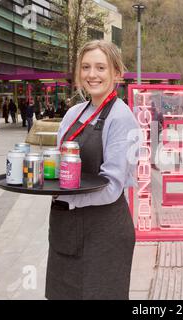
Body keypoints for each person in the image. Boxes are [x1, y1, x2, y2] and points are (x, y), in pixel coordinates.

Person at [45, 40, 140, 300]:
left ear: (116, 74)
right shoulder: (73, 113)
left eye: (100, 67)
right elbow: (60, 162)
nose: (91, 74)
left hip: (104, 233)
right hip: (66, 228)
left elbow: (111, 187)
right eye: (86, 67)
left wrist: (67, 197)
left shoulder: (121, 118)